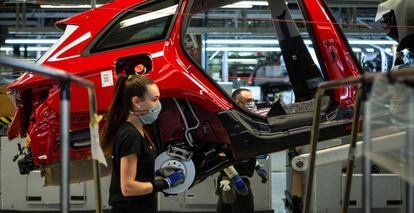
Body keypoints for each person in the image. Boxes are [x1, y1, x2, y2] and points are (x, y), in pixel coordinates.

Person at [101, 74, 186, 213]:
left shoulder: (140, 130)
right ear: (136, 101)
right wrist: (165, 183)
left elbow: (139, 170)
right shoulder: (130, 135)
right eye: (154, 99)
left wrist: (157, 173)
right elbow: (128, 188)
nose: (158, 105)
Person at [216, 88, 269, 213]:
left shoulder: (243, 121)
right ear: (236, 102)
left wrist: (257, 167)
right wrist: (235, 178)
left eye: (253, 100)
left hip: (235, 180)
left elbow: (242, 151)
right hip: (233, 180)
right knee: (245, 207)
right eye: (248, 100)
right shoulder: (228, 123)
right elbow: (221, 154)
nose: (252, 103)